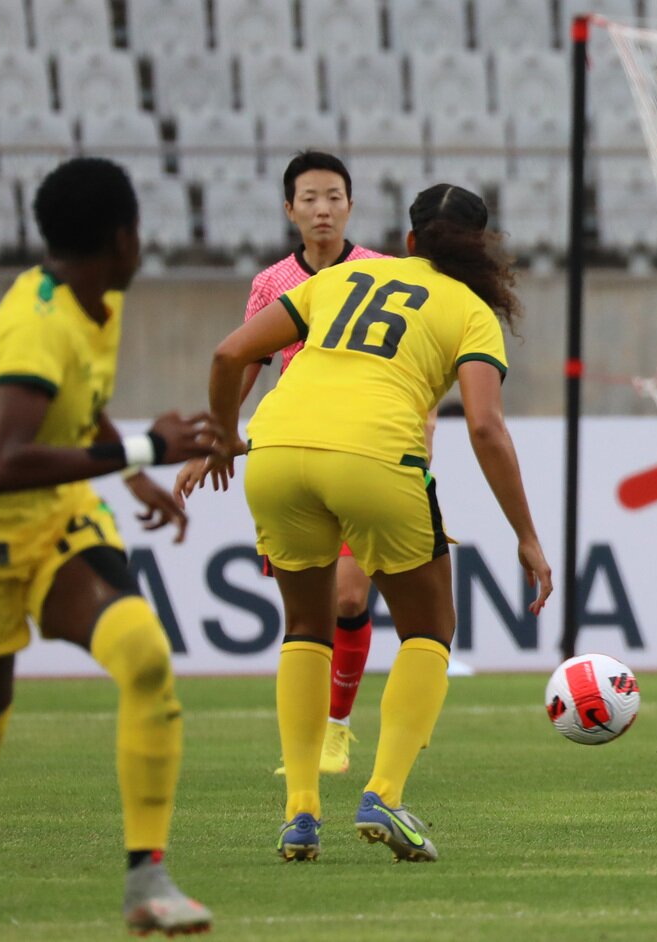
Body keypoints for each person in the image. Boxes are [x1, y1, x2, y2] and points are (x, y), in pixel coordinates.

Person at [0, 158, 217, 938]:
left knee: (143, 654)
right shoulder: (37, 325)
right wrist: (144, 446)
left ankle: (148, 876)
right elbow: (3, 464)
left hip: (57, 526)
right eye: (138, 231)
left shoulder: (87, 298)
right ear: (121, 236)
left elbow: (81, 406)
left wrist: (132, 471)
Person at [206, 183, 553, 862]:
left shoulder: (344, 276)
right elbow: (485, 426)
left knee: (305, 629)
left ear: (411, 238)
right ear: (480, 248)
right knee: (430, 629)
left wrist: (222, 436)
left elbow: (228, 355)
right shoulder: (471, 309)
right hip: (375, 454)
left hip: (275, 451)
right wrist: (527, 536)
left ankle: (300, 813)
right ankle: (384, 795)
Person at [175, 150, 399, 778]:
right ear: (289, 210)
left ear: (351, 205)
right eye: (309, 198)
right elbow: (246, 360)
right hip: (294, 451)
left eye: (333, 196)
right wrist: (213, 438)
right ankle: (307, 743)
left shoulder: (383, 273)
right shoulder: (273, 283)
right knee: (310, 610)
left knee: (351, 598)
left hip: (363, 449)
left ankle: (336, 729)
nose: (322, 208)